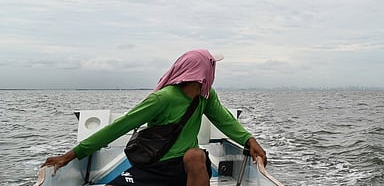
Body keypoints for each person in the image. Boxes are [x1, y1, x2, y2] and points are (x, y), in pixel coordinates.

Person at [42, 49, 267, 186]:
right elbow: (119, 127)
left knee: (196, 155)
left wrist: (250, 140)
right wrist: (71, 156)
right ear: (204, 74)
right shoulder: (163, 98)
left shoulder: (206, 96)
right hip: (153, 167)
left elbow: (225, 120)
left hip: (185, 169)